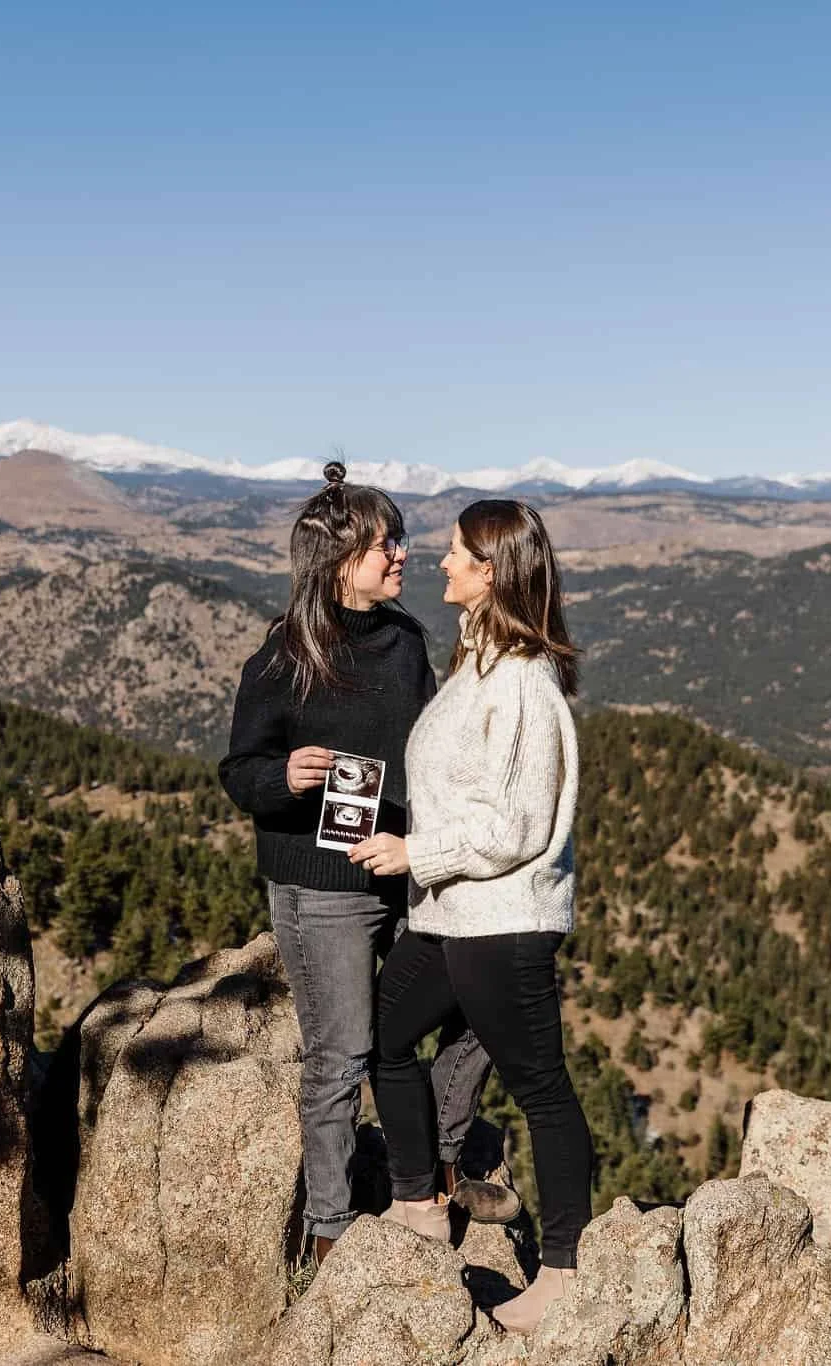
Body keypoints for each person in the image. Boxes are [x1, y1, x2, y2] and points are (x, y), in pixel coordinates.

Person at [219, 463, 513, 1268]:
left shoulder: (406, 640)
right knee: (342, 1054)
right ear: (338, 561)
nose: (402, 554)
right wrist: (285, 777)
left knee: (479, 1006)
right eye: (385, 542)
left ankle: (446, 1156)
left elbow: (430, 749)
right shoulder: (285, 656)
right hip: (322, 890)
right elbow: (240, 773)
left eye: (400, 539)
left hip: (408, 869)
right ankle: (330, 1228)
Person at [348, 498, 591, 1335]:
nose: (438, 563)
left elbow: (516, 826)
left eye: (453, 553)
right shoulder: (476, 667)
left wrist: (418, 855)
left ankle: (563, 1272)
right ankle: (420, 1202)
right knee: (386, 1034)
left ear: (490, 573)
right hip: (449, 918)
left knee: (543, 1093)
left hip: (501, 924)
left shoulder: (521, 682)